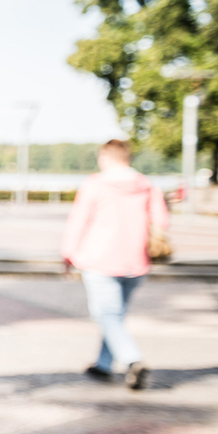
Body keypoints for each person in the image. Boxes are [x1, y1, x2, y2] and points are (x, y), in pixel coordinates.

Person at [61, 139, 169, 390]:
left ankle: (133, 360)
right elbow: (161, 221)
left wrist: (68, 253)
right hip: (137, 260)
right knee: (115, 315)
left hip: (100, 260)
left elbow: (79, 220)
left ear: (106, 158)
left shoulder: (95, 184)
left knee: (107, 314)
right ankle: (104, 364)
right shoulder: (147, 185)